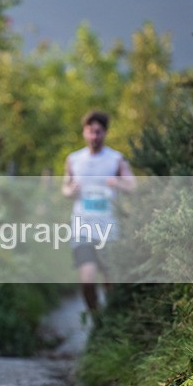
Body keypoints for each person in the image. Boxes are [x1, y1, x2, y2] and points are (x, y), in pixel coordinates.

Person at [61, 110, 135, 314]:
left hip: (108, 228)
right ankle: (96, 318)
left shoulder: (116, 159)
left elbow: (132, 185)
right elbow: (65, 189)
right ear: (84, 132)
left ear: (105, 133)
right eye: (90, 131)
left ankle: (110, 321)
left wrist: (118, 182)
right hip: (81, 227)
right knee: (87, 280)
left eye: (98, 132)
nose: (94, 136)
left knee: (110, 281)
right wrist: (70, 191)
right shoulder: (73, 159)